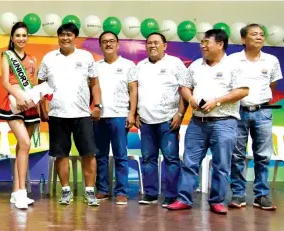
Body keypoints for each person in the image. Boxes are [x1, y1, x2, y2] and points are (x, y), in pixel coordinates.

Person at [168, 29, 250, 215]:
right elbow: (185, 88)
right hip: (197, 123)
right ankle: (184, 199)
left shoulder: (234, 66)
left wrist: (217, 101)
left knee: (221, 164)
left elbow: (243, 91)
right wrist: (191, 99)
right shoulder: (196, 65)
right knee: (189, 162)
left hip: (224, 122)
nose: (202, 46)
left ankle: (217, 201)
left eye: (206, 42)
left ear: (220, 44)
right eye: (202, 42)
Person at [37, 23, 101, 206]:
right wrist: (43, 109)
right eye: (62, 35)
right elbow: (41, 86)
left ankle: (89, 192)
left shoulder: (86, 57)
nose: (65, 38)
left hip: (82, 114)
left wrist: (97, 105)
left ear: (75, 37)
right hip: (57, 115)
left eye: (69, 35)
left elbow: (95, 84)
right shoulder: (49, 58)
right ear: (58, 37)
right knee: (61, 155)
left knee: (89, 154)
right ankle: (65, 191)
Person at [128, 32, 188, 207]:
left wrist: (180, 114)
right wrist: (136, 113)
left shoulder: (175, 64)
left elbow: (185, 90)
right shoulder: (140, 66)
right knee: (148, 159)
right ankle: (151, 194)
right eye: (149, 43)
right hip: (145, 122)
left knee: (171, 159)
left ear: (165, 45)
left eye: (156, 43)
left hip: (169, 121)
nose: (152, 46)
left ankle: (171, 194)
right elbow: (134, 92)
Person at [228, 24, 282, 211]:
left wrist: (259, 102)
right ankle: (238, 194)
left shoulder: (272, 60)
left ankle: (261, 195)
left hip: (263, 111)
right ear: (243, 39)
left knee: (263, 155)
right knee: (237, 155)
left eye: (261, 34)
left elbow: (272, 86)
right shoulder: (233, 60)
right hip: (239, 111)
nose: (259, 37)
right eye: (254, 34)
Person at [0, 22, 40, 209]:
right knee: (24, 143)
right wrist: (18, 96)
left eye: (24, 35)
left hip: (29, 106)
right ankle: (22, 191)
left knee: (22, 148)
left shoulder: (32, 59)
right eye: (18, 35)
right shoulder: (7, 56)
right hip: (14, 104)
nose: (21, 38)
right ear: (12, 38)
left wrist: (35, 97)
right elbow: (6, 82)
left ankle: (16, 191)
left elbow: (34, 82)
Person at [93, 31, 137, 205]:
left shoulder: (128, 65)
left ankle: (121, 192)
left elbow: (133, 90)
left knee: (120, 156)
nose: (108, 44)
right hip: (99, 117)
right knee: (100, 155)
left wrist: (131, 113)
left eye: (112, 41)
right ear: (101, 45)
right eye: (105, 42)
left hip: (120, 116)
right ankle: (102, 189)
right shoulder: (95, 66)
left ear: (118, 44)